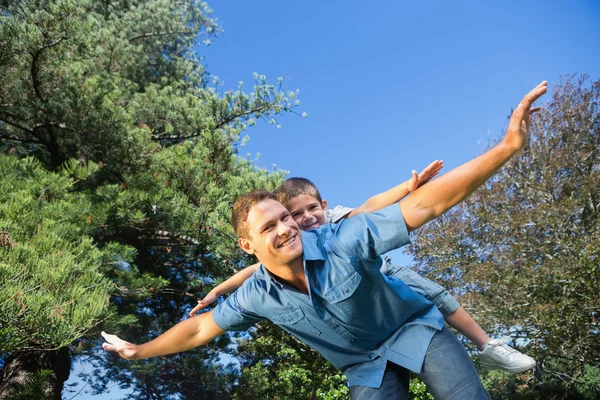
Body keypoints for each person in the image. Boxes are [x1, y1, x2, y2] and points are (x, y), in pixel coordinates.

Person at [102, 81, 547, 399]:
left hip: (415, 330)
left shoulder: (341, 239)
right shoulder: (256, 294)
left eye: (286, 218)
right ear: (248, 247)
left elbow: (425, 206)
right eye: (269, 227)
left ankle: (486, 348)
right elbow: (200, 326)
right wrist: (141, 350)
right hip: (364, 367)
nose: (286, 228)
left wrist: (506, 147)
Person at [189, 166, 535, 373]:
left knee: (435, 295)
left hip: (384, 276)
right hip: (358, 322)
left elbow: (372, 205)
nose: (306, 219)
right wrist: (221, 289)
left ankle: (487, 345)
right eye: (296, 214)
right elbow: (256, 271)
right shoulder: (288, 246)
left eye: (313, 209)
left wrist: (408, 187)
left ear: (324, 206)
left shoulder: (339, 222)